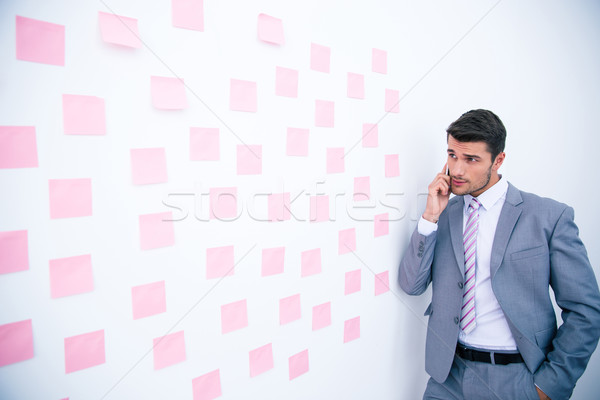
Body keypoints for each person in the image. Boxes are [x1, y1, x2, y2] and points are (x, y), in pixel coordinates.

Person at [398, 109, 600, 400]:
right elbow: (411, 285)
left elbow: (585, 310)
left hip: (516, 380)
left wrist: (549, 386)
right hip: (448, 378)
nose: (457, 170)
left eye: (471, 159)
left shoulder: (548, 217)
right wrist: (430, 217)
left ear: (499, 160)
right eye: (452, 155)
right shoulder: (446, 214)